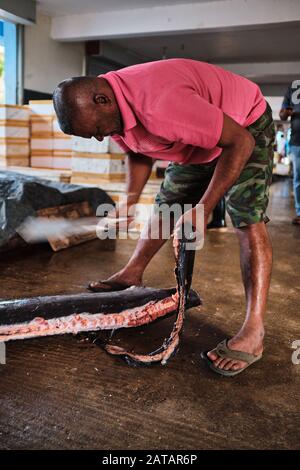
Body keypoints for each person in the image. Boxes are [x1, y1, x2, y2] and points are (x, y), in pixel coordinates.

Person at [53, 59, 275, 376]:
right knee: (167, 204)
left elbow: (240, 141)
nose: (102, 138)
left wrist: (203, 208)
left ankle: (254, 332)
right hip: (201, 135)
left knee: (246, 217)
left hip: (245, 126)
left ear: (102, 100)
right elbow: (138, 149)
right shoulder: (111, 106)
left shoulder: (160, 104)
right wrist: (129, 203)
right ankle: (132, 272)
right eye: (95, 136)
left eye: (100, 131)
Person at [280, 82, 300, 225]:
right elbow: (281, 115)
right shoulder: (293, 88)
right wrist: (286, 112)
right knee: (298, 179)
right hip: (297, 142)